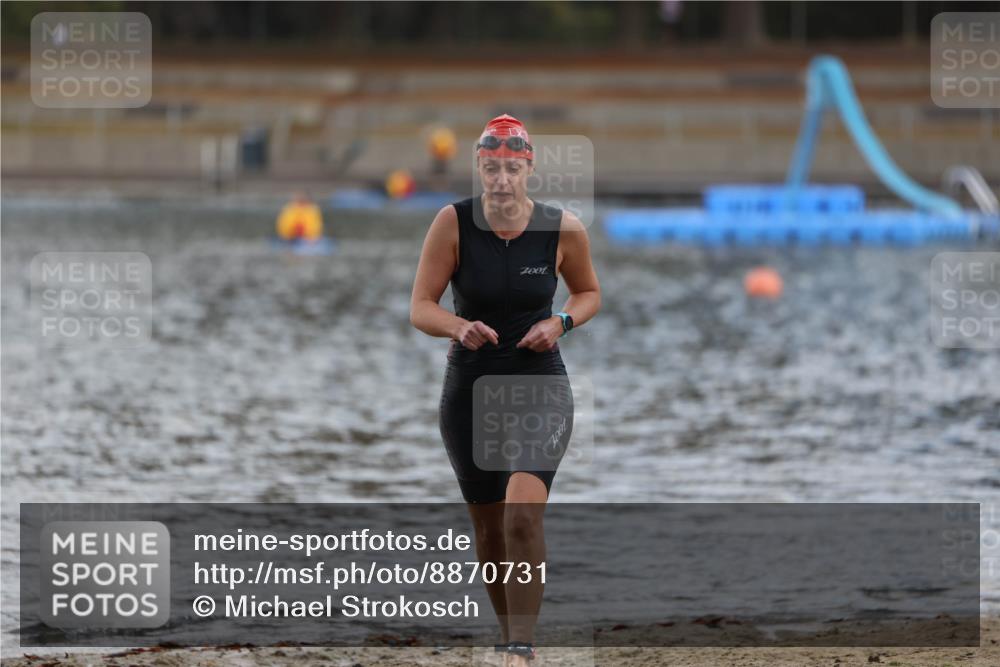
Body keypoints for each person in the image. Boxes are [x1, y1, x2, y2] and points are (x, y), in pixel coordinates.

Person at [409, 114, 601, 665]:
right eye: (490, 167)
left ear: (528, 168)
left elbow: (589, 293)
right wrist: (456, 326)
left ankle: (522, 647)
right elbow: (420, 306)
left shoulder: (561, 227)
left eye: (510, 168)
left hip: (539, 383)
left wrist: (561, 322)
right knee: (490, 533)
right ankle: (509, 632)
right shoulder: (453, 223)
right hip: (470, 388)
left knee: (522, 516)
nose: (500, 178)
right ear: (478, 167)